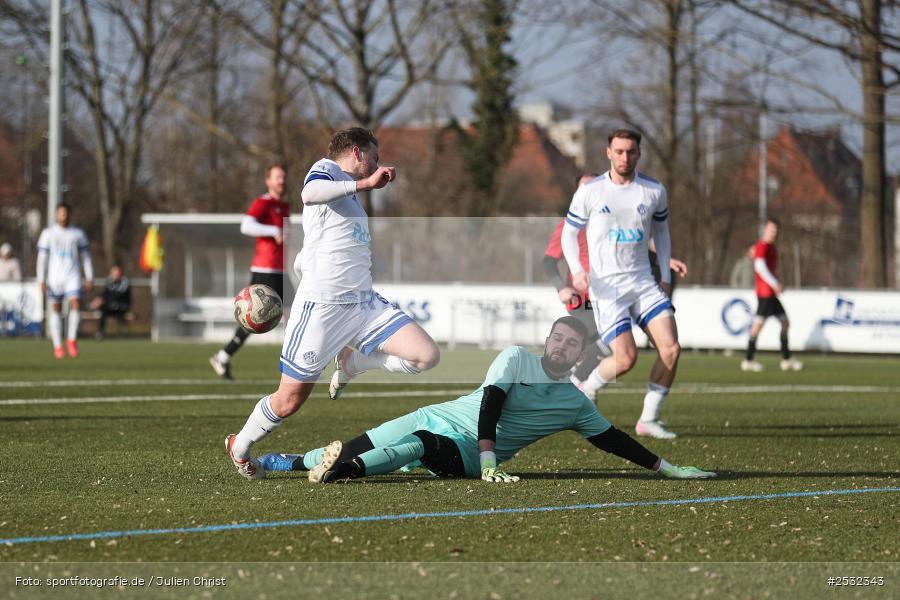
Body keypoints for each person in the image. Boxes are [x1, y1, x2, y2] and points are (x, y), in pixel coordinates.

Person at [258, 317, 716, 483]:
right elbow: (490, 404)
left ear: (582, 354)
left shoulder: (575, 404)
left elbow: (615, 441)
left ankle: (339, 473)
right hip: (445, 421)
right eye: (556, 338)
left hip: (470, 455)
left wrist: (666, 468)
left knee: (417, 444)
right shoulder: (516, 358)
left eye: (570, 344)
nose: (560, 346)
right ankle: (292, 463)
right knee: (361, 441)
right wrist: (493, 455)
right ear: (547, 340)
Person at [225, 127, 440, 480]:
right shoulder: (326, 170)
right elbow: (310, 194)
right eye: (373, 153)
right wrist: (366, 184)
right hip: (322, 308)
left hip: (364, 303)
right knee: (289, 401)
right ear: (356, 151)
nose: (376, 161)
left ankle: (355, 362)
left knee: (426, 355)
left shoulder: (352, 196)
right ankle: (240, 446)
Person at [561, 129, 680, 439]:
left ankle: (648, 419)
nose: (625, 157)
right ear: (608, 153)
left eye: (631, 151)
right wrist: (576, 271)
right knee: (626, 359)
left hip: (643, 282)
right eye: (619, 151)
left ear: (639, 154)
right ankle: (588, 389)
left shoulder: (653, 190)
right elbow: (568, 234)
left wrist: (664, 276)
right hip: (607, 289)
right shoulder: (591, 191)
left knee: (671, 349)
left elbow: (662, 234)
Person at [544, 174, 688, 391]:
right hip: (582, 298)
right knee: (608, 342)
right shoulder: (569, 227)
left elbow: (635, 244)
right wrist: (561, 286)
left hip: (612, 293)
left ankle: (580, 389)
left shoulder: (610, 218)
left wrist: (666, 259)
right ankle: (571, 385)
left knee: (612, 347)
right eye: (585, 187)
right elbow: (548, 262)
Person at [210, 164, 290, 380]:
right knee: (255, 317)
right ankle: (223, 356)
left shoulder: (284, 205)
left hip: (281, 270)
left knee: (294, 314)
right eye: (277, 177)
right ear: (268, 181)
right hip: (265, 269)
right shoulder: (264, 203)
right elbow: (246, 225)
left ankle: (224, 356)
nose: (281, 180)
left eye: (283, 177)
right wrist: (274, 231)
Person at [741, 218, 803, 372]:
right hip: (765, 293)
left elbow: (757, 259)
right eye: (771, 229)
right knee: (758, 326)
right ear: (765, 230)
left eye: (776, 230)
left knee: (785, 322)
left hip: (770, 295)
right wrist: (775, 284)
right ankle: (748, 360)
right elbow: (760, 267)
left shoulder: (768, 247)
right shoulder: (763, 245)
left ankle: (786, 359)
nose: (773, 233)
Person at [36, 203, 93, 359]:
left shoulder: (78, 234)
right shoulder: (48, 234)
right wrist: (41, 278)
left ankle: (71, 340)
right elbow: (42, 258)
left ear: (69, 214)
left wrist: (89, 277)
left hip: (72, 275)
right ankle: (58, 346)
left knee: (76, 304)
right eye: (60, 213)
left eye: (66, 213)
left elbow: (86, 257)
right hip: (54, 277)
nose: (63, 216)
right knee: (56, 309)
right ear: (56, 215)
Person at [90, 264, 131, 340]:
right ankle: (100, 332)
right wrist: (99, 300)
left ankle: (122, 334)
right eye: (114, 273)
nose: (116, 275)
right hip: (110, 306)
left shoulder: (125, 282)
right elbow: (105, 294)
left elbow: (118, 295)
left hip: (122, 306)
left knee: (107, 306)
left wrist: (104, 300)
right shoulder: (109, 282)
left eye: (117, 273)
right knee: (103, 310)